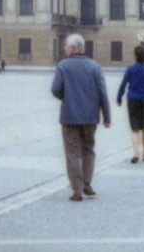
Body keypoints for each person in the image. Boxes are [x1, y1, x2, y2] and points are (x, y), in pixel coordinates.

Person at [51, 34, 111, 202]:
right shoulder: (94, 66)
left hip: (70, 116)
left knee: (72, 153)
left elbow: (55, 89)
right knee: (88, 150)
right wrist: (107, 116)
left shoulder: (63, 66)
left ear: (72, 48)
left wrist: (67, 97)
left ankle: (76, 190)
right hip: (90, 117)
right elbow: (103, 93)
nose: (64, 49)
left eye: (65, 46)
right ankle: (87, 183)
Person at [116, 45, 144, 163]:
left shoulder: (130, 69)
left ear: (135, 56)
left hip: (133, 99)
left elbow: (123, 84)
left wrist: (119, 97)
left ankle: (135, 153)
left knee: (134, 129)